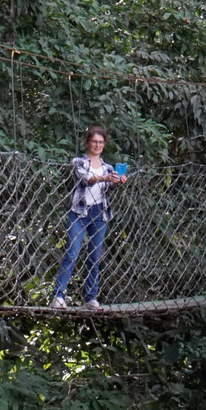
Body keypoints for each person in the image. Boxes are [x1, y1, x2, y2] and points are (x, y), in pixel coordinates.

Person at [51, 125, 125, 310]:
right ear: (87, 143)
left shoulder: (108, 167)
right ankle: (58, 296)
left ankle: (90, 298)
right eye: (94, 141)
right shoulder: (79, 162)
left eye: (100, 142)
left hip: (100, 213)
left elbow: (107, 189)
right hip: (80, 213)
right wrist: (105, 178)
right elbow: (86, 179)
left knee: (95, 256)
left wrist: (116, 182)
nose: (97, 145)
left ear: (104, 144)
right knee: (72, 252)